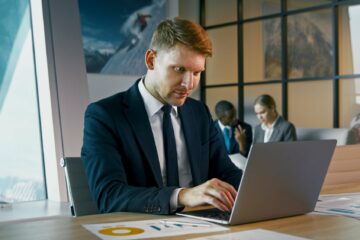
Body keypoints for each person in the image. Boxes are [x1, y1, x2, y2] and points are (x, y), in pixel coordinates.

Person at [81, 18, 242, 215]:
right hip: (142, 230)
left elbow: (226, 172)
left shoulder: (199, 112)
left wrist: (259, 189)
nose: (189, 84)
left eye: (197, 72)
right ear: (150, 60)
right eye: (179, 69)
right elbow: (109, 196)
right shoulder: (104, 116)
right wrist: (182, 196)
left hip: (202, 226)